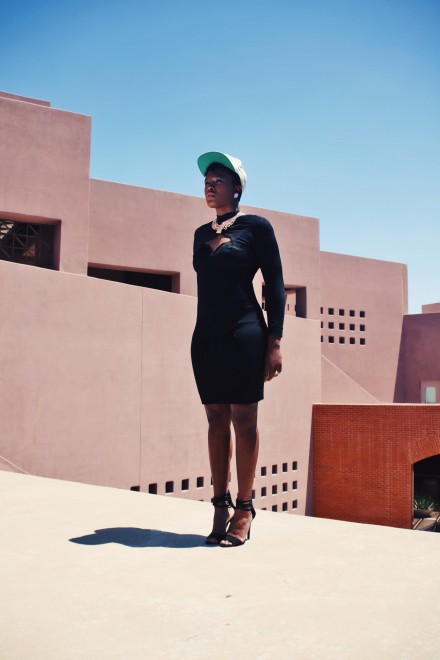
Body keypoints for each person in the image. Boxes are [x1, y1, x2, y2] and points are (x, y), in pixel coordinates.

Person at [191, 152, 285, 547]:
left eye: (217, 179)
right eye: (206, 180)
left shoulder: (257, 227)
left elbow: (275, 284)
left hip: (245, 333)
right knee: (216, 420)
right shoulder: (200, 233)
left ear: (237, 188)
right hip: (206, 336)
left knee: (244, 419)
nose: (209, 184)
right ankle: (219, 505)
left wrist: (274, 341)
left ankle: (244, 508)